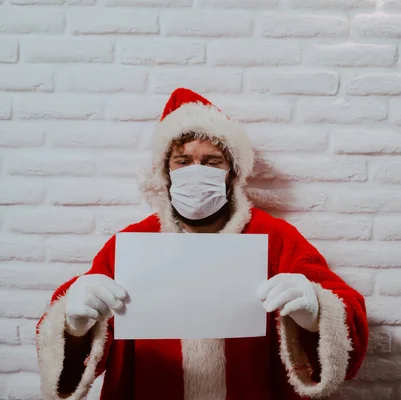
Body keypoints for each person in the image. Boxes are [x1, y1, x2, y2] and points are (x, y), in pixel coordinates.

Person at [35, 88, 369, 400]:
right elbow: (68, 346)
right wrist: (74, 325)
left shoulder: (275, 238)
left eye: (212, 162)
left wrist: (316, 312)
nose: (196, 172)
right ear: (165, 171)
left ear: (232, 172)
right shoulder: (132, 244)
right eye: (183, 161)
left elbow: (348, 315)